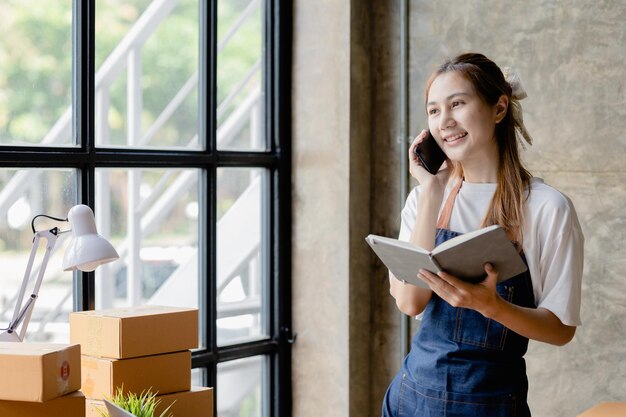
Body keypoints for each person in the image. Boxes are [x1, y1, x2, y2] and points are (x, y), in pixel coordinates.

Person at [382, 52, 584, 417]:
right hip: (409, 400)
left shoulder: (545, 208)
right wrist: (430, 191)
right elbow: (410, 302)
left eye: (457, 104)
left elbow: (561, 329)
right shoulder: (423, 199)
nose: (445, 121)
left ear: (499, 108)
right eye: (433, 110)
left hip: (488, 405)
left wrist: (492, 306)